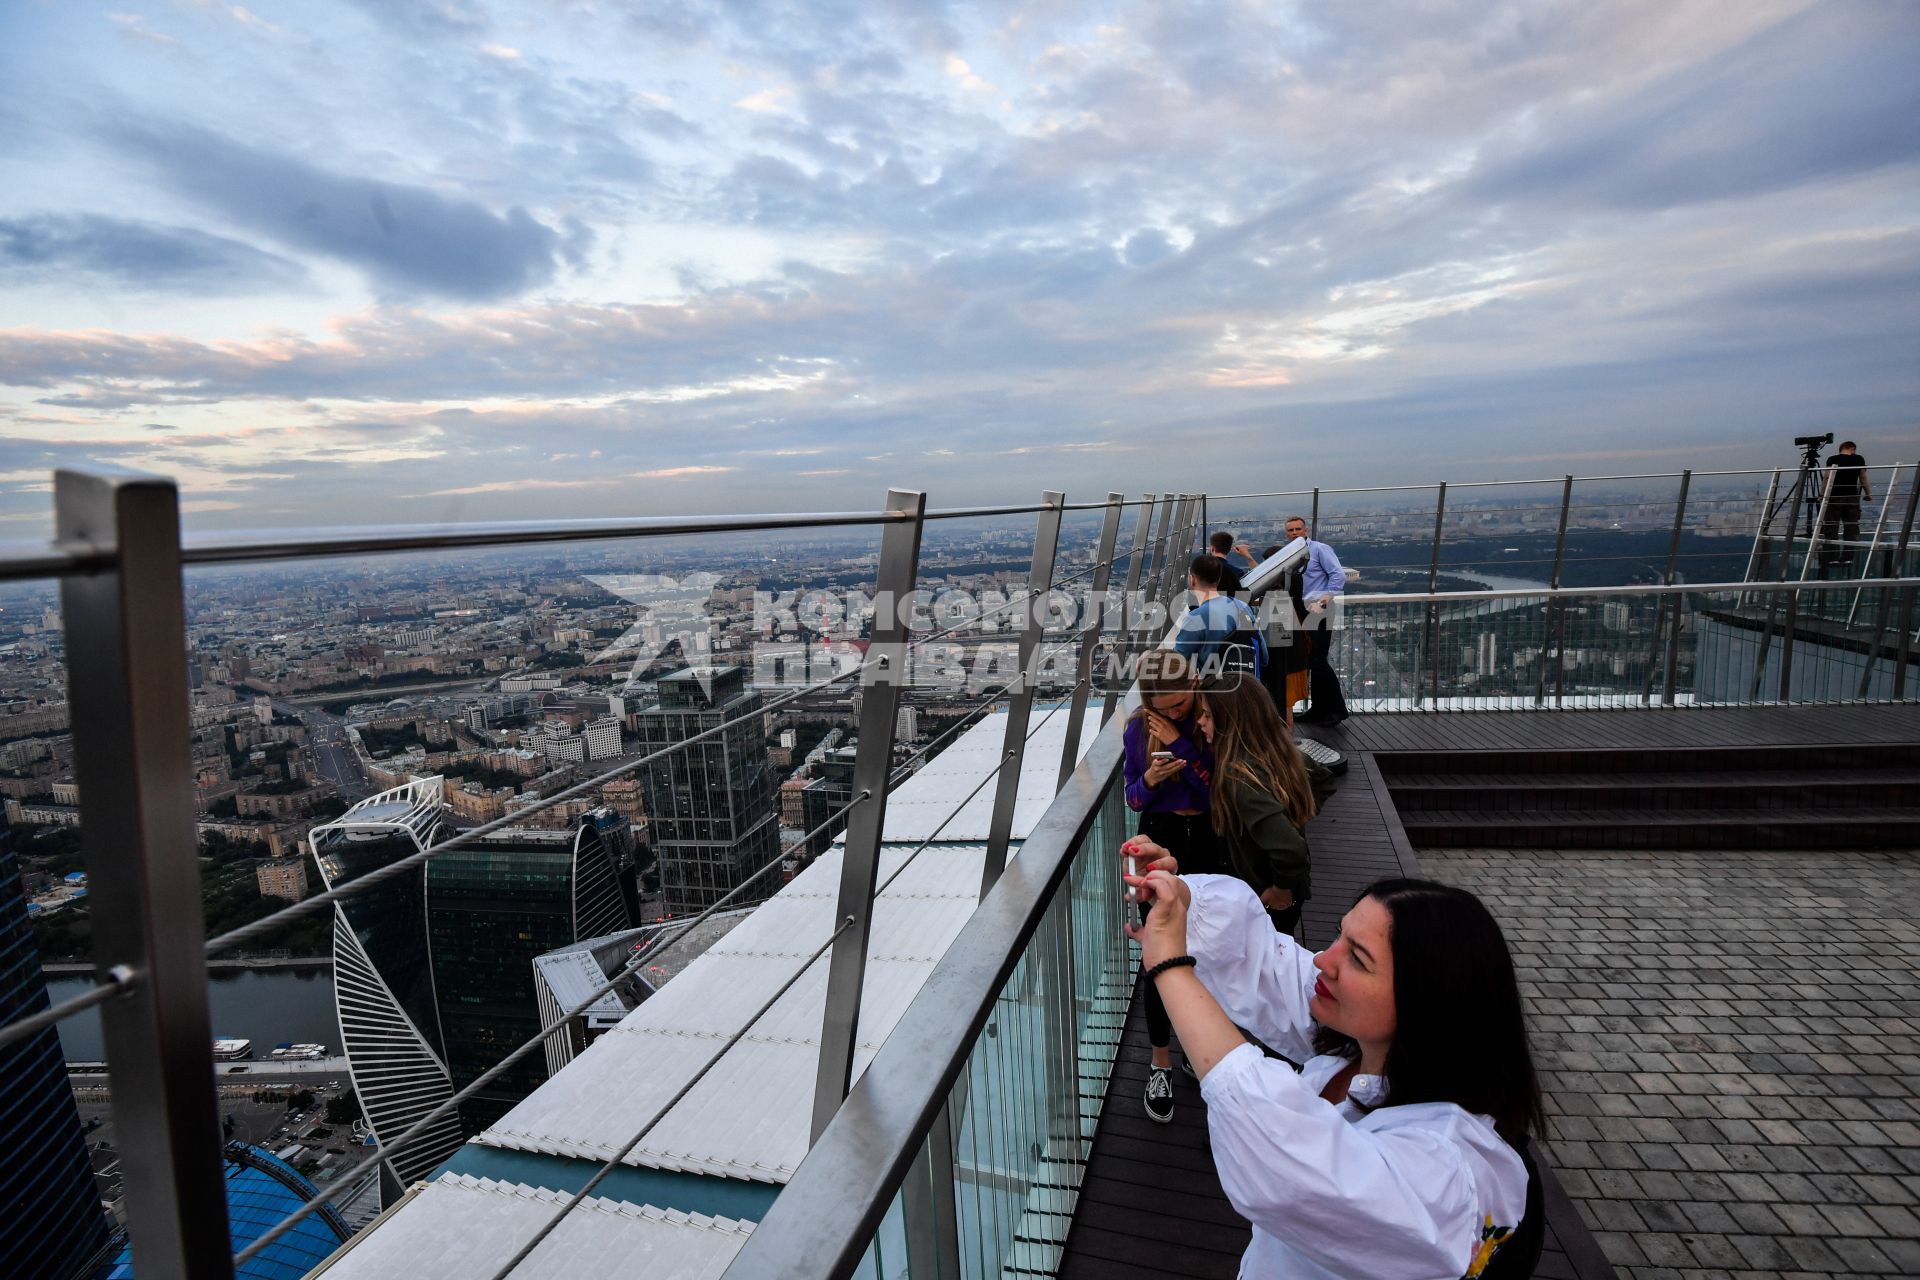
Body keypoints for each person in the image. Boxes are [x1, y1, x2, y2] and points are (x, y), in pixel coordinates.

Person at [1121, 859, 1545, 1279]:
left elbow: (1294, 1171)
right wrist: (1183, 898)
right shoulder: (1365, 1048)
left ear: (1427, 998)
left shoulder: (1448, 1174)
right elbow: (1267, 963)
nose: (1325, 959)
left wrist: (1171, 969)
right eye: (1340, 936)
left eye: (1358, 959)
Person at [1121, 649, 1229, 1122]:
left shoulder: (1211, 722)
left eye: (1180, 706)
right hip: (1160, 834)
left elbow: (1219, 793)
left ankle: (1198, 1040)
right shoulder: (1136, 729)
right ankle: (1161, 1058)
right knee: (1160, 951)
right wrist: (1150, 776)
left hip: (1209, 835)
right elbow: (1132, 797)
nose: (1173, 715)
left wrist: (1181, 748)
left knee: (1211, 943)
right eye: (1163, 709)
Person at [1193, 675, 1330, 938]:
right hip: (1286, 897)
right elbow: (1323, 779)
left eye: (1208, 716)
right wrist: (1296, 814)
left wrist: (1280, 889)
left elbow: (1291, 849)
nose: (1200, 722)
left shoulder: (1240, 778)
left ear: (1229, 722)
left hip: (1266, 899)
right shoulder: (1278, 752)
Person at [1284, 516, 1348, 725]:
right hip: (1304, 609)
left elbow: (1338, 575)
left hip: (1319, 608)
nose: (1294, 533)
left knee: (1318, 660)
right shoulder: (1290, 554)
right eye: (1291, 530)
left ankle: (1337, 710)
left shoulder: (1320, 549)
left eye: (1298, 529)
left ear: (1306, 530)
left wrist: (1323, 602)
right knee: (1311, 659)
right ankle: (1319, 709)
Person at [1174, 554, 1263, 680]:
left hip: (1217, 693)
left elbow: (1176, 662)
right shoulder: (1242, 607)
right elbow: (1264, 656)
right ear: (1219, 578)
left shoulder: (1195, 618)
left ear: (1192, 580)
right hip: (1249, 687)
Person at [1257, 542, 1311, 730]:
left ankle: (1284, 743)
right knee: (1286, 704)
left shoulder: (1279, 590)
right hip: (1295, 651)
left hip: (1284, 657)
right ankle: (1287, 743)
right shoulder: (1294, 578)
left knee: (1283, 703)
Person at [1822, 441, 1872, 571]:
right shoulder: (1858, 459)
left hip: (1834, 497)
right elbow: (1863, 477)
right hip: (1852, 497)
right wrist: (1868, 493)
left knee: (1831, 527)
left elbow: (1827, 478)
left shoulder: (1832, 459)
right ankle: (1848, 557)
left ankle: (1832, 557)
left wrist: (1822, 495)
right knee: (1851, 528)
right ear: (1852, 448)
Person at [1208, 531, 1253, 595]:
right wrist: (1248, 556)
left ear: (1212, 549)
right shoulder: (1237, 572)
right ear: (1229, 549)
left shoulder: (1200, 570)